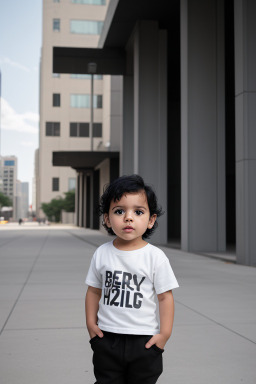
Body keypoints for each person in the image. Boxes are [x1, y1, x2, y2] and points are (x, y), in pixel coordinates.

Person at [85, 175, 179, 384]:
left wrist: (164, 335)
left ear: (151, 220)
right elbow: (93, 291)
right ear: (107, 219)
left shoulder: (155, 257)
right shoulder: (102, 253)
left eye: (138, 212)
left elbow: (165, 297)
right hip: (107, 338)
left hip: (144, 342)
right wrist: (91, 325)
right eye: (119, 211)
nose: (128, 217)